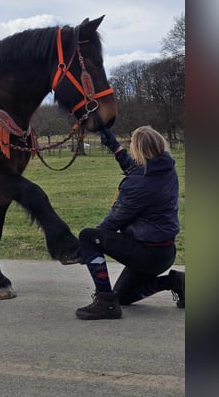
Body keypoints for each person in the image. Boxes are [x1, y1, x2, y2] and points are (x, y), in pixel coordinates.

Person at [75, 125, 185, 320]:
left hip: (146, 254)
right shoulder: (166, 168)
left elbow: (113, 221)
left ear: (139, 151)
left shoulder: (139, 185)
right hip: (164, 252)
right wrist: (113, 144)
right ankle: (174, 282)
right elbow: (136, 170)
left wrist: (84, 250)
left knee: (88, 236)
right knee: (123, 297)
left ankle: (105, 303)